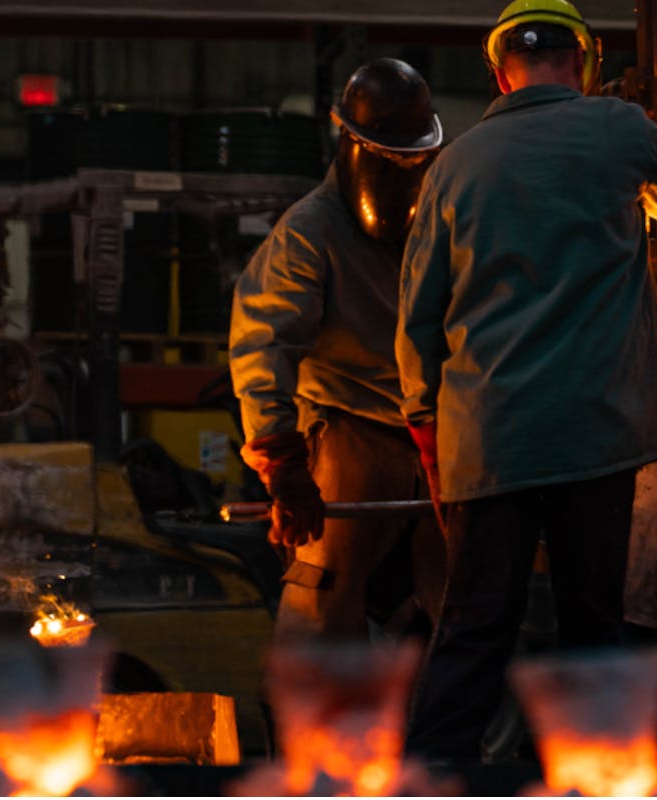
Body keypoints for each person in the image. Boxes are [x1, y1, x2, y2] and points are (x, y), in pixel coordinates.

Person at [395, 0, 657, 758]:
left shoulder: (454, 165)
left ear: (497, 70)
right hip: (596, 435)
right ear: (582, 61)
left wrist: (428, 428)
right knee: (594, 627)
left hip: (490, 443)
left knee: (474, 629)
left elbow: (417, 322)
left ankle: (427, 780)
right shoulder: (618, 132)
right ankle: (601, 774)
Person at [229, 58, 445, 643]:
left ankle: (438, 735)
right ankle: (312, 729)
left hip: (439, 443)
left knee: (449, 614)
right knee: (321, 609)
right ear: (350, 142)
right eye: (387, 157)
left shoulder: (440, 223)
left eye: (411, 161)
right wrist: (283, 465)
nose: (400, 172)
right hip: (350, 439)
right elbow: (264, 345)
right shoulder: (309, 232)